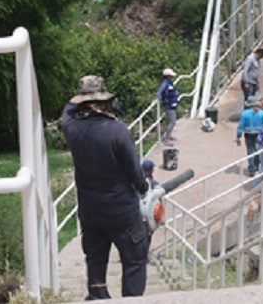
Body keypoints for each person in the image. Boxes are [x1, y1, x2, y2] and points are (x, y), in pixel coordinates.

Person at [62, 75, 150, 299]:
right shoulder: (117, 130)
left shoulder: (72, 129)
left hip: (90, 209)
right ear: (106, 102)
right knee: (135, 257)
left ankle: (99, 297)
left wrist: (81, 97)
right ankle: (131, 299)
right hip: (121, 208)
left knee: (96, 257)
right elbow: (134, 170)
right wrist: (144, 188)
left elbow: (67, 112)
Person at [236, 96, 263, 177]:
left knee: (250, 152)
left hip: (249, 135)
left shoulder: (245, 114)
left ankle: (252, 170)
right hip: (259, 134)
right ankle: (257, 165)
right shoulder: (262, 113)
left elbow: (240, 126)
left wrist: (238, 136)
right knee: (257, 150)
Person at [156, 68, 178, 146]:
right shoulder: (165, 83)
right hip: (168, 106)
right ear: (168, 76)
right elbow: (159, 92)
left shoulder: (169, 83)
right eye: (171, 76)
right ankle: (166, 139)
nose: (172, 77)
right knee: (172, 122)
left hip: (172, 105)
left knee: (170, 121)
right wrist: (157, 98)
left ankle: (169, 136)